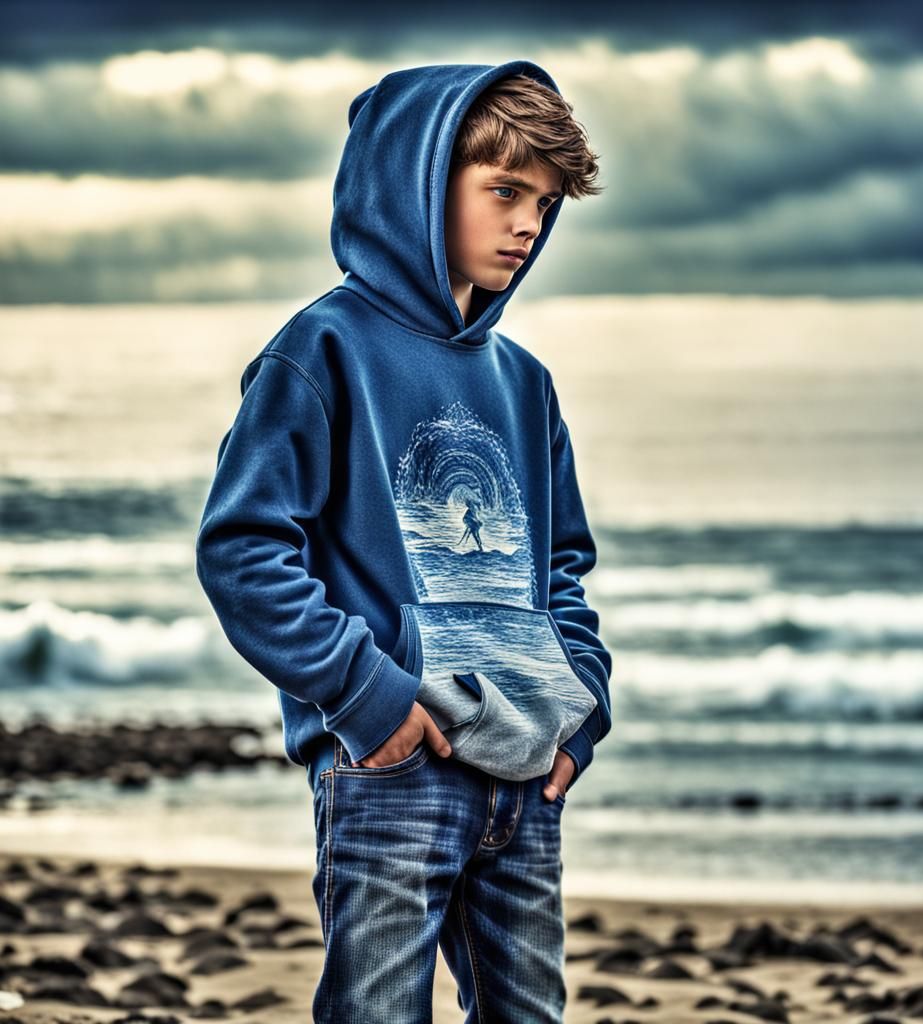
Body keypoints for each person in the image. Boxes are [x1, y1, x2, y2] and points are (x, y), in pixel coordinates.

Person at [195, 59, 612, 1023]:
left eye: (545, 204)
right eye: (505, 190)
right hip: (392, 771)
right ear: (417, 181)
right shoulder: (323, 351)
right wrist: (371, 699)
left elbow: (562, 569)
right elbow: (244, 551)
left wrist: (578, 712)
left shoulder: (526, 383)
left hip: (523, 774)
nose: (528, 224)